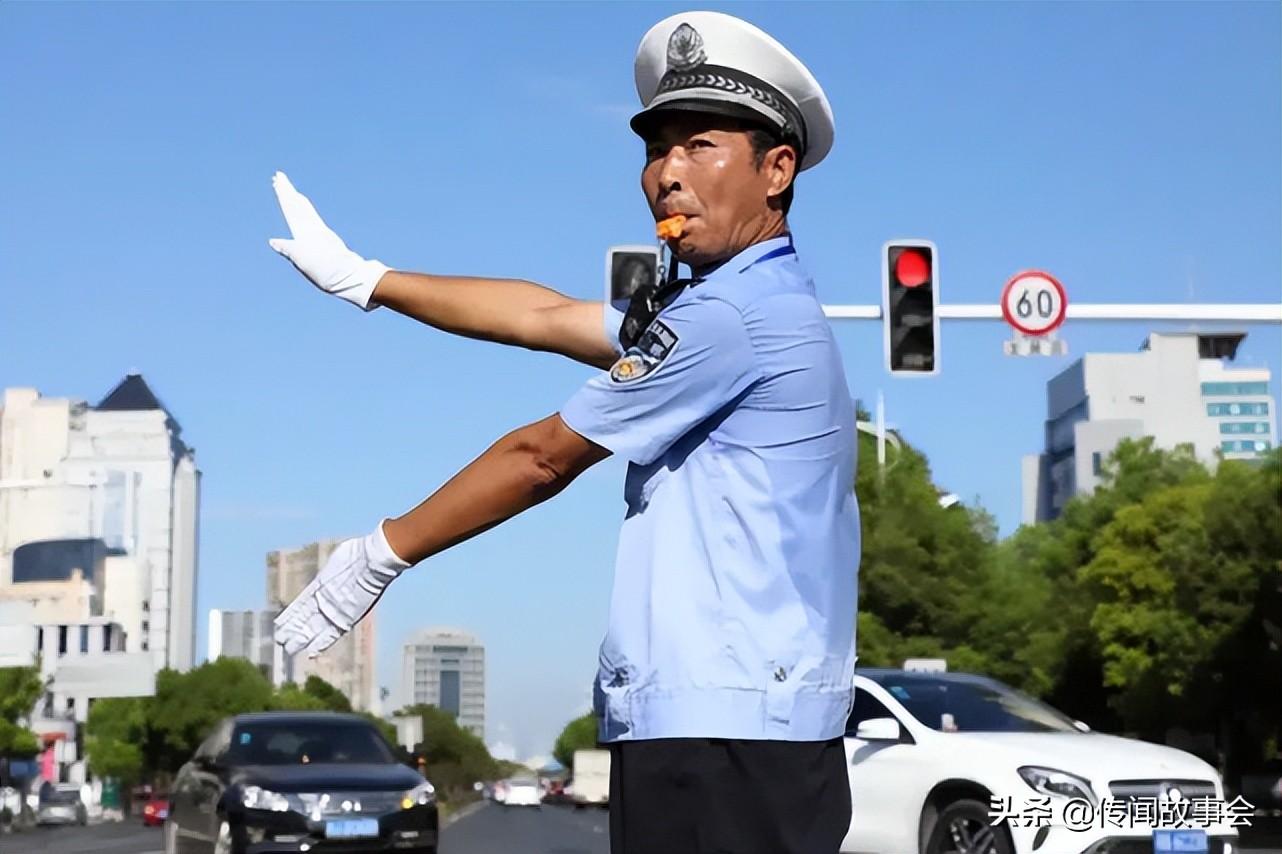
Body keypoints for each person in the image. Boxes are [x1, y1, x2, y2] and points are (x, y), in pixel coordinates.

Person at [268, 10, 858, 853]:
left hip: (725, 736)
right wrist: (370, 279)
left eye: (701, 147)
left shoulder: (732, 320)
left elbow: (543, 458)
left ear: (777, 169)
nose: (667, 174)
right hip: (745, 724)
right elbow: (541, 315)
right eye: (658, 149)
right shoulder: (738, 307)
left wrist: (382, 553)